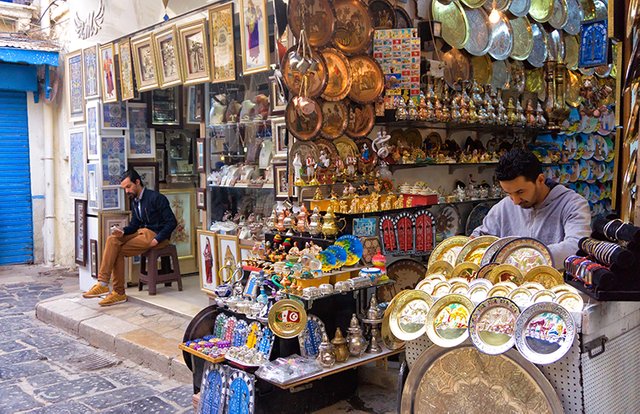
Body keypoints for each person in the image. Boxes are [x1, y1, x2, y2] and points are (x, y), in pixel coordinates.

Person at [471, 148, 591, 268]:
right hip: (509, 283)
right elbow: (481, 236)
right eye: (508, 193)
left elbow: (577, 246)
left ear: (540, 180)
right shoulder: (504, 206)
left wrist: (525, 258)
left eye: (520, 192)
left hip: (554, 283)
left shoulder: (572, 204)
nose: (516, 201)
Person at [82, 169, 178, 306]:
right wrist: (123, 231)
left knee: (118, 250)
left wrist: (157, 239)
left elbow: (171, 222)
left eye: (128, 187)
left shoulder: (156, 198)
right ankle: (104, 283)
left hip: (156, 235)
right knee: (112, 240)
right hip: (142, 233)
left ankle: (118, 292)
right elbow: (134, 225)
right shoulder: (135, 201)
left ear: (137, 182)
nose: (127, 191)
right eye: (124, 188)